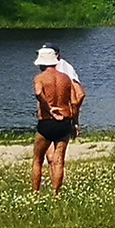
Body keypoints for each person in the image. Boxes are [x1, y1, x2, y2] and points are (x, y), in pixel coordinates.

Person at [33, 47, 81, 193]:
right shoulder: (65, 78)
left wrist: (49, 109)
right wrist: (75, 121)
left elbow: (38, 93)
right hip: (64, 122)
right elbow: (75, 100)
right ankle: (56, 194)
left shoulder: (40, 78)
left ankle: (35, 193)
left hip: (47, 122)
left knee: (38, 160)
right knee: (59, 159)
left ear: (42, 63)